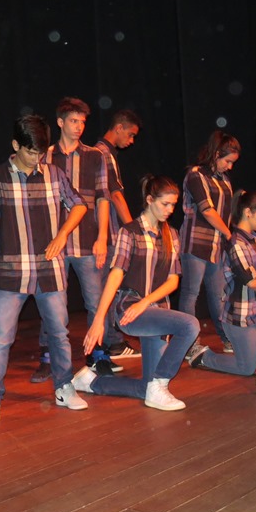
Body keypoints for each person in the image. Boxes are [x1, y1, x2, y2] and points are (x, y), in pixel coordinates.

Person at [0, 114, 89, 428]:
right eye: (30, 152)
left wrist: (62, 234)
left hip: (50, 270)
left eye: (40, 152)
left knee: (59, 334)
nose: (36, 158)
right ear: (15, 145)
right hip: (11, 271)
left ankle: (64, 387)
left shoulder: (55, 174)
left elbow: (78, 204)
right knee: (0, 338)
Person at [75, 175, 199, 411]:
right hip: (130, 309)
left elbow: (173, 281)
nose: (170, 210)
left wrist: (147, 302)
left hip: (155, 310)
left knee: (147, 387)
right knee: (190, 325)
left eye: (173, 205)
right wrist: (99, 319)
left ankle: (90, 382)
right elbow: (115, 276)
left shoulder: (171, 235)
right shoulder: (129, 232)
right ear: (150, 200)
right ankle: (161, 383)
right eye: (165, 204)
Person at [31, 96, 121, 384]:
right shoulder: (45, 156)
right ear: (60, 122)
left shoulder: (95, 156)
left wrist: (102, 237)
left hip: (87, 240)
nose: (79, 126)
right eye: (73, 121)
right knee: (52, 301)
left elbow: (104, 198)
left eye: (82, 121)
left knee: (96, 301)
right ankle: (49, 357)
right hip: (55, 242)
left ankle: (98, 354)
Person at [185, 190, 256, 375]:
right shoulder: (236, 243)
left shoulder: (253, 239)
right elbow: (251, 281)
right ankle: (204, 357)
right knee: (246, 368)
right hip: (240, 315)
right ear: (248, 212)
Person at [178, 130, 240, 353]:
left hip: (216, 246)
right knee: (191, 293)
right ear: (216, 154)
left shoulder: (225, 180)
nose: (229, 167)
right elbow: (207, 210)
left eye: (232, 163)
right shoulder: (196, 175)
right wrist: (229, 234)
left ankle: (227, 337)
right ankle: (188, 343)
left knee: (218, 295)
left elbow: (226, 214)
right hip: (195, 243)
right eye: (227, 161)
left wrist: (227, 236)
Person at [94, 109, 143, 359]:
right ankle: (112, 343)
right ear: (119, 127)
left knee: (106, 288)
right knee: (108, 288)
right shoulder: (104, 154)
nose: (131, 141)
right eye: (131, 134)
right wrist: (134, 229)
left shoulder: (100, 153)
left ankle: (112, 342)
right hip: (109, 234)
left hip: (105, 234)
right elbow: (115, 195)